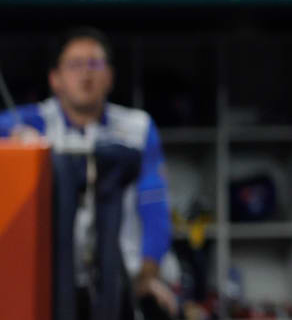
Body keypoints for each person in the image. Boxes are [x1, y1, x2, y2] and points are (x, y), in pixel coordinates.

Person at [0, 27, 176, 318]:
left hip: (120, 279)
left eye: (95, 64)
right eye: (75, 65)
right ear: (55, 79)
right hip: (48, 279)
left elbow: (154, 206)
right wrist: (14, 146)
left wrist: (147, 274)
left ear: (109, 76)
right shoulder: (29, 122)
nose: (86, 74)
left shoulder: (137, 127)